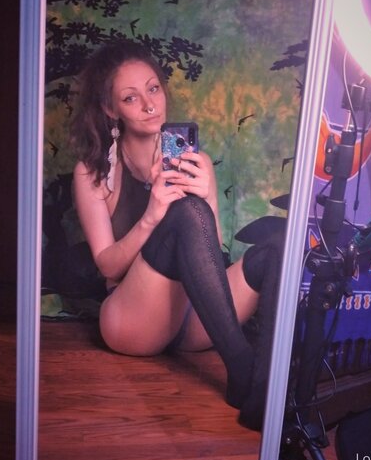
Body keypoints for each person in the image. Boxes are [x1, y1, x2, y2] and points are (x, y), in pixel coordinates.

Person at [70, 39, 284, 429]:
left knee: (277, 246)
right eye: (131, 98)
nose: (149, 104)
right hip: (133, 322)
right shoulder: (94, 172)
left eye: (153, 89)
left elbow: (212, 257)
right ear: (110, 109)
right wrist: (152, 216)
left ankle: (269, 372)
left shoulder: (194, 161)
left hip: (196, 319)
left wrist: (208, 198)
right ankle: (242, 367)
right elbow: (108, 267)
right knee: (184, 212)